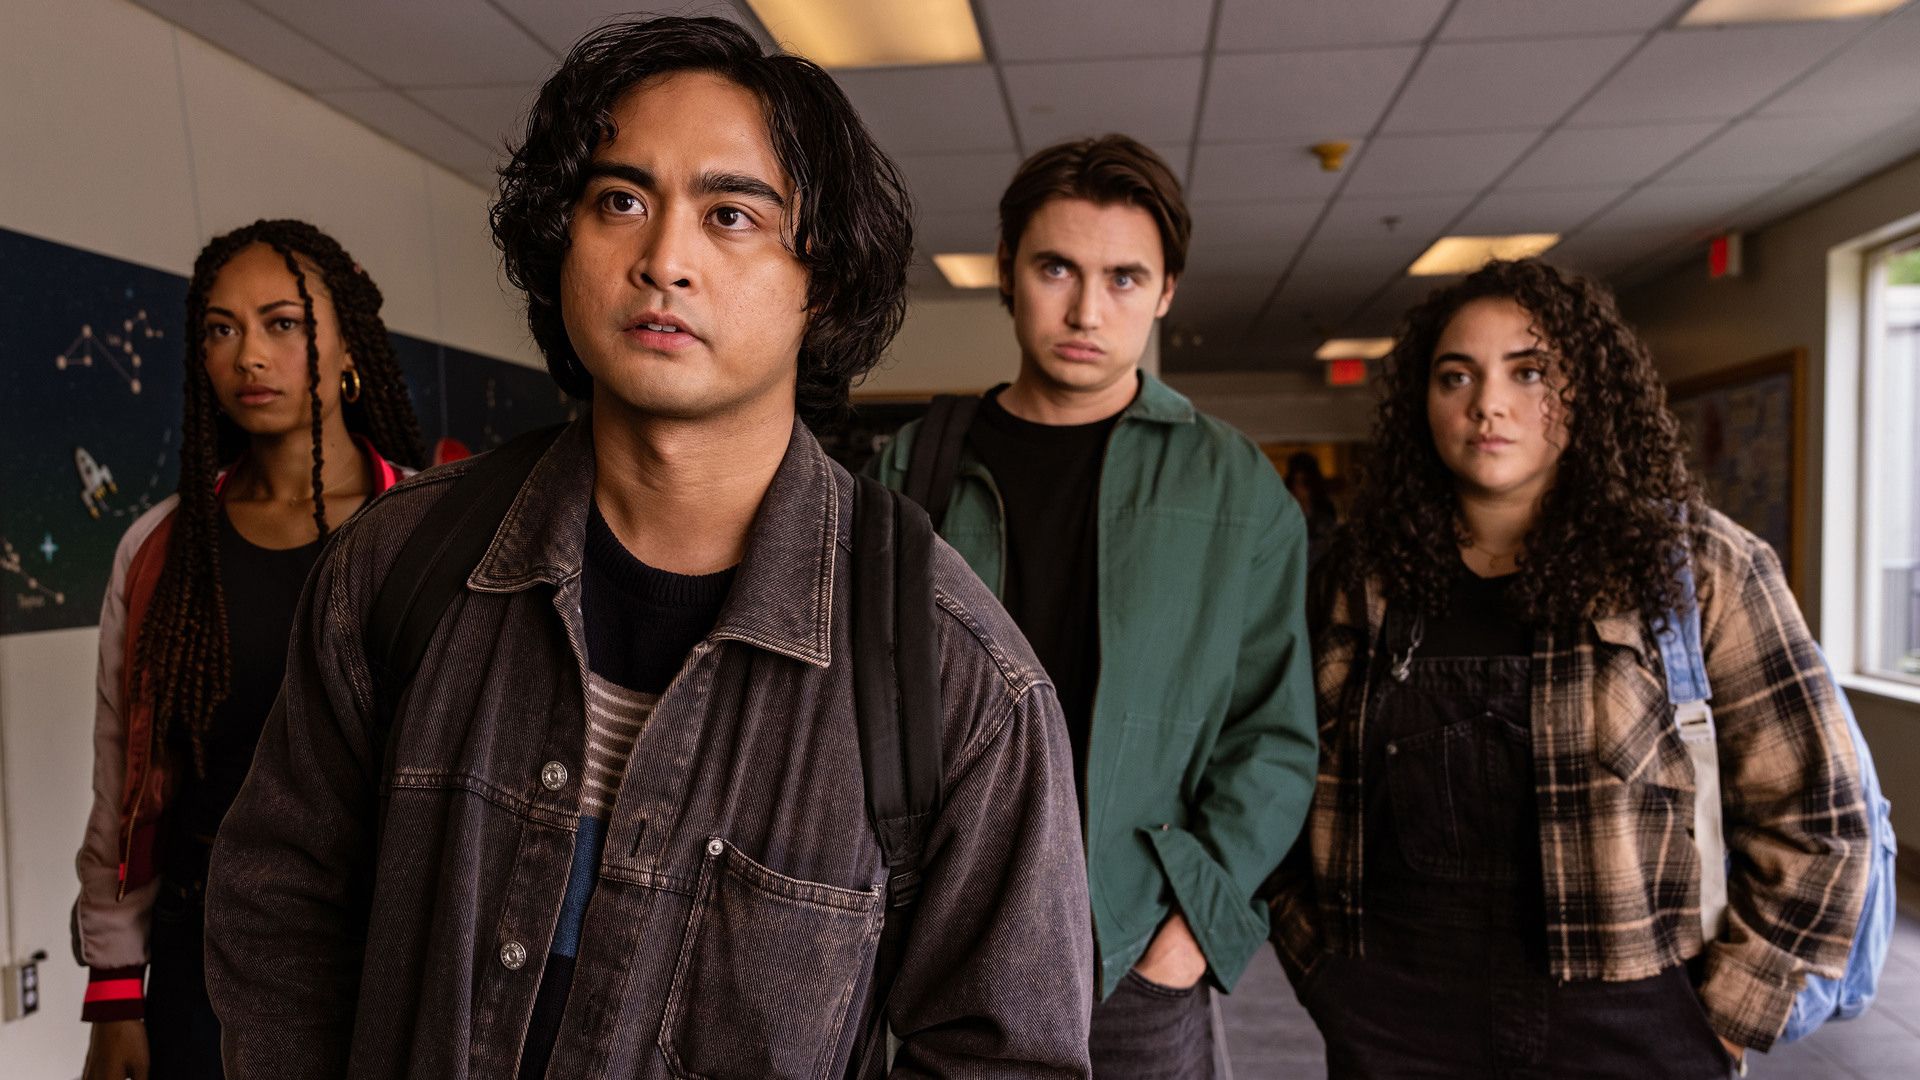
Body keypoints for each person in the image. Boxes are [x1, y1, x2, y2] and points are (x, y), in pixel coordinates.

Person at [202, 17, 1092, 1080]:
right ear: (560, 244)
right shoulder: (399, 566)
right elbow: (278, 914)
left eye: (731, 216)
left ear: (825, 280)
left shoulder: (956, 680)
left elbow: (1006, 1058)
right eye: (619, 202)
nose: (662, 259)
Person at [1266, 259, 1870, 1078]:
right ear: (1422, 401)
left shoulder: (1699, 567)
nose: (1489, 404)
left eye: (1530, 371)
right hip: (1399, 1015)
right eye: (1457, 376)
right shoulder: (1357, 579)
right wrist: (1327, 973)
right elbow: (1276, 775)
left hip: (1632, 1020)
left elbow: (1821, 815)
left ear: (1587, 390)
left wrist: (1723, 1022)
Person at [868, 135, 1317, 1078]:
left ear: (1165, 294)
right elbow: (853, 706)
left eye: (1123, 278)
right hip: (944, 937)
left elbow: (1273, 737)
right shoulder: (913, 466)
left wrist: (1190, 925)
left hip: (1135, 946)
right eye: (1056, 268)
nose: (1085, 309)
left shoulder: (1234, 485)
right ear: (1007, 273)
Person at [72, 219, 424, 1080]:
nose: (249, 357)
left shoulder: (430, 530)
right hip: (205, 964)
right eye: (221, 330)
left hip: (394, 959)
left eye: (283, 323)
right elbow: (125, 788)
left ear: (348, 348)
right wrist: (117, 993)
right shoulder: (162, 551)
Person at [1283, 451, 1337, 565]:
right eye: (1295, 482)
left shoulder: (1324, 522)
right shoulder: (1285, 519)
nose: (1298, 488)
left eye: (1303, 482)